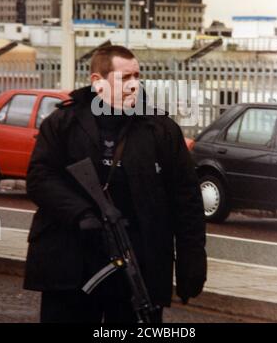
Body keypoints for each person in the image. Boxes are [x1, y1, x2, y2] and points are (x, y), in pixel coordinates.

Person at [24, 45, 207, 323]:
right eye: (125, 78)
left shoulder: (160, 129)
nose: (134, 85)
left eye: (137, 76)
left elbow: (186, 198)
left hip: (137, 264)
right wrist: (81, 213)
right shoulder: (64, 122)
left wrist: (191, 258)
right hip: (71, 262)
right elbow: (40, 178)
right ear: (98, 82)